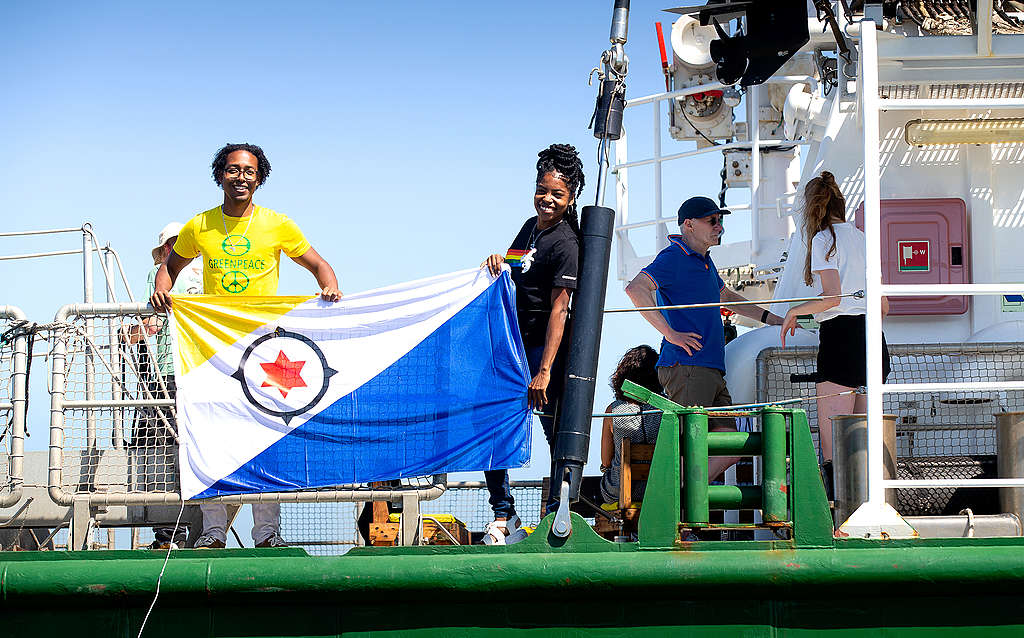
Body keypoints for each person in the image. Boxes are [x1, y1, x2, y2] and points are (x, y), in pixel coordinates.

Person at [150, 142, 341, 549]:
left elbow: (319, 265)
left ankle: (267, 534)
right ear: (220, 175)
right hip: (212, 349)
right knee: (212, 436)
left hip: (264, 348)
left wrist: (329, 286)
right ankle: (213, 533)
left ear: (260, 178)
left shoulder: (278, 224)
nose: (241, 177)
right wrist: (160, 291)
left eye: (250, 171)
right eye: (233, 170)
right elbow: (170, 267)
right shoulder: (199, 225)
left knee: (266, 435)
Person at [625, 196, 784, 481]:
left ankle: (684, 500)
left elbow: (726, 296)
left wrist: (771, 319)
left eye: (720, 220)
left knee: (732, 447)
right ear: (689, 225)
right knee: (689, 447)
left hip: (709, 367)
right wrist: (670, 334)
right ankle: (674, 512)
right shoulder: (673, 257)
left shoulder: (705, 262)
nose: (719, 226)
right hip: (688, 367)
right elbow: (635, 289)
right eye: (712, 220)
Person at [480, 143, 584, 544]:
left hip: (544, 350)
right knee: (494, 423)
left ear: (571, 196)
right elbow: (511, 267)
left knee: (554, 431)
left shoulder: (567, 244)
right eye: (543, 190)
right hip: (513, 344)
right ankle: (503, 513)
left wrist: (544, 371)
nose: (548, 199)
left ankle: (559, 513)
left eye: (557, 194)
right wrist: (496, 259)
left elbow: (560, 309)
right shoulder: (529, 227)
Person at [779, 171, 891, 495]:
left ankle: (836, 518)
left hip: (840, 341)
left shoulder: (823, 239)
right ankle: (867, 508)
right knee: (863, 441)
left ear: (811, 208)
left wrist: (794, 311)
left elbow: (833, 298)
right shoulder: (863, 238)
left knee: (833, 444)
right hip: (872, 340)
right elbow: (883, 306)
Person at [136, 222, 202, 549]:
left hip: (166, 374)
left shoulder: (160, 272)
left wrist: (127, 335)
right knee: (196, 450)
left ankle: (168, 536)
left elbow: (150, 324)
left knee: (160, 455)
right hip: (201, 372)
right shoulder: (207, 275)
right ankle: (204, 534)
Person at [599, 345, 663, 506]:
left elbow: (606, 461)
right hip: (659, 488)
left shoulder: (613, 410)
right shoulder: (667, 409)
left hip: (618, 491)